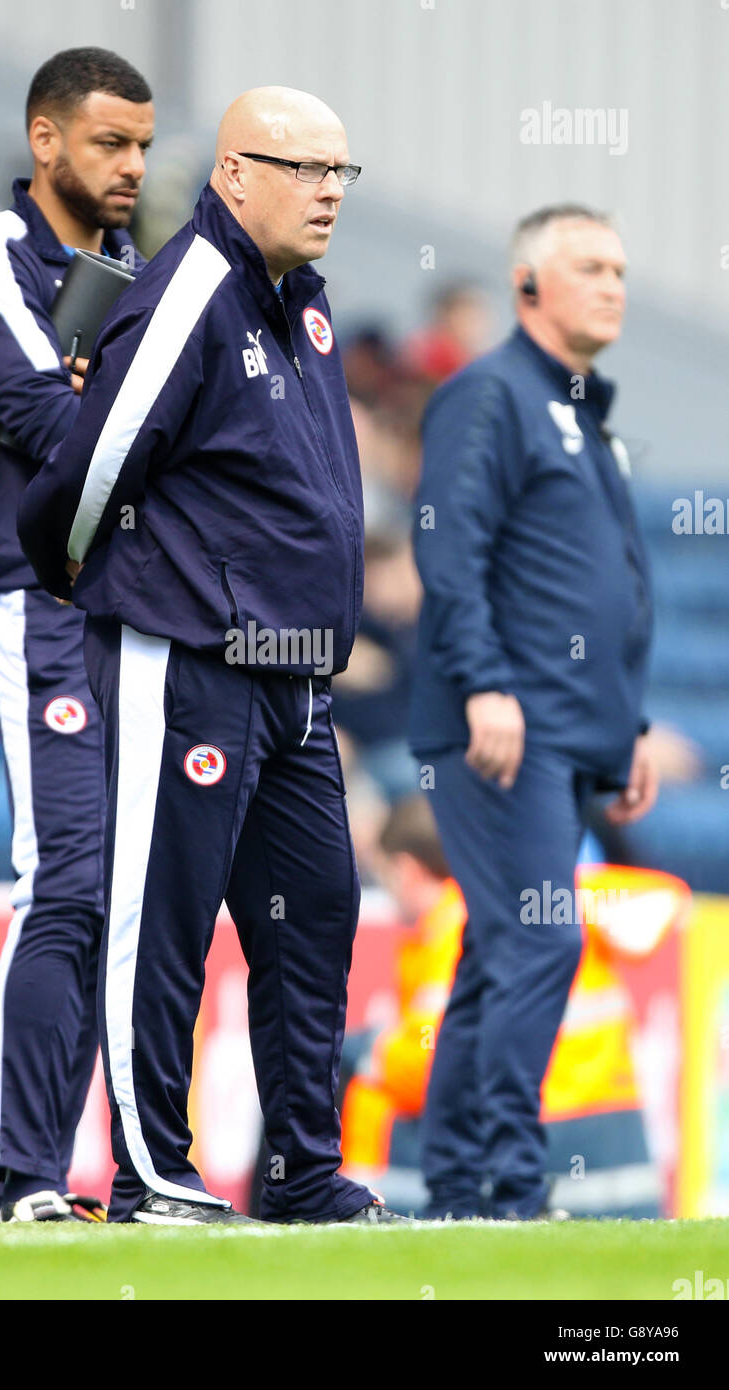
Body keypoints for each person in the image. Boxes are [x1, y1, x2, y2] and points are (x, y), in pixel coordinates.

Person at [19, 86, 404, 1226]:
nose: (330, 192)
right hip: (187, 658)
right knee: (164, 922)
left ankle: (296, 1168)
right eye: (305, 169)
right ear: (233, 174)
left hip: (295, 681)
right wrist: (81, 578)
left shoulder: (307, 305)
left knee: (314, 916)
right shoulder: (188, 289)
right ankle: (149, 1174)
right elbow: (93, 468)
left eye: (342, 172)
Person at [0, 47, 153, 1223]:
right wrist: (125, 416)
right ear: (45, 140)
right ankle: (26, 1175)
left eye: (144, 147)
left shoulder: (127, 267)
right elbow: (46, 421)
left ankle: (141, 1173)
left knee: (134, 894)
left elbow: (125, 422)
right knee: (64, 878)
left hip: (140, 611)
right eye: (111, 142)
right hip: (37, 598)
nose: (131, 166)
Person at [409, 204, 658, 1220]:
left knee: (497, 952)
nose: (612, 285)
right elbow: (447, 544)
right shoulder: (489, 392)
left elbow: (601, 584)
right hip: (503, 723)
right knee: (540, 939)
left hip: (564, 727)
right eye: (589, 266)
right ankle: (512, 1186)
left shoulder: (574, 408)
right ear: (526, 288)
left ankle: (460, 1182)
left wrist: (627, 723)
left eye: (619, 269)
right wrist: (482, 683)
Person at [340, 796, 687, 1219]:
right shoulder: (550, 899)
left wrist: (371, 1054)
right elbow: (664, 901)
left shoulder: (455, 925)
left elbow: (426, 1066)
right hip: (617, 1147)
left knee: (352, 1074)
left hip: (535, 1142)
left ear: (407, 870)